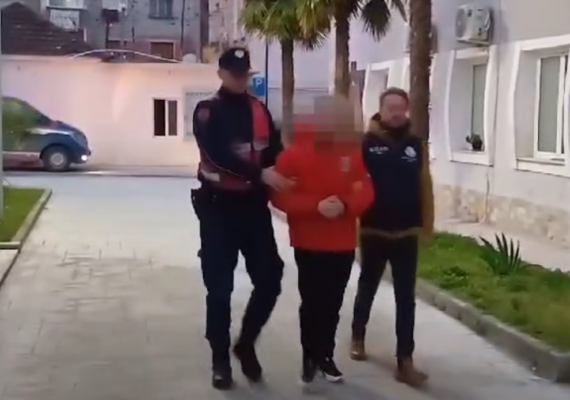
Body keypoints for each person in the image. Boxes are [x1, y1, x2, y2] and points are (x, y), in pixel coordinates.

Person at [191, 46, 294, 390]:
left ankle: (246, 343)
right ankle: (220, 358)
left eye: (244, 74)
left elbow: (275, 152)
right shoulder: (207, 111)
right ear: (221, 74)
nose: (239, 80)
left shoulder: (259, 109)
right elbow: (217, 155)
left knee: (271, 277)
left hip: (253, 208)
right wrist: (260, 174)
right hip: (218, 208)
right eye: (233, 74)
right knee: (219, 286)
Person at [271, 95, 374, 386]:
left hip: (342, 242)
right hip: (308, 241)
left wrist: (346, 204)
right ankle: (310, 356)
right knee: (312, 302)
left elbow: (366, 190)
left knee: (333, 303)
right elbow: (279, 195)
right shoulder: (293, 155)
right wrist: (314, 206)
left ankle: (325, 355)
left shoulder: (352, 153)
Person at [349, 87, 434, 387]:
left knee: (405, 298)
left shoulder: (416, 144)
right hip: (373, 229)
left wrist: (427, 225)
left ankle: (405, 360)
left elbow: (425, 185)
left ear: (406, 110)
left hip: (407, 231)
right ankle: (357, 336)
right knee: (367, 286)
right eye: (391, 108)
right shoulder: (366, 143)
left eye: (401, 108)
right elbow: (352, 183)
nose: (396, 113)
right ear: (381, 110)